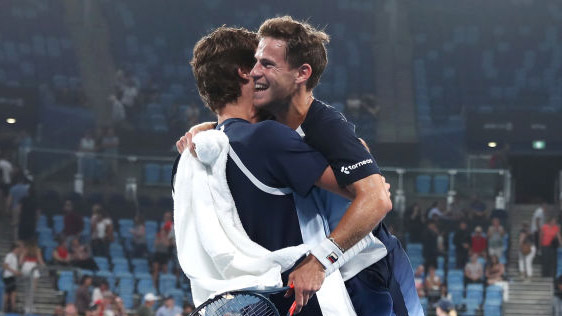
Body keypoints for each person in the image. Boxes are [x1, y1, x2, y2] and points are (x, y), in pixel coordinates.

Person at [178, 17, 421, 315]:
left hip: (368, 267)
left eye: (267, 64)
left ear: (301, 73)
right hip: (331, 272)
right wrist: (207, 128)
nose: (256, 72)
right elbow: (236, 124)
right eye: (255, 63)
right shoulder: (267, 124)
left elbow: (378, 198)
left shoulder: (326, 125)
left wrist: (319, 261)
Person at [3, 243, 21, 312]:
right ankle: (5, 307)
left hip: (12, 276)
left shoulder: (15, 257)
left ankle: (12, 308)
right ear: (14, 249)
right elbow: (5, 265)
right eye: (18, 249)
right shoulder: (9, 255)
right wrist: (14, 272)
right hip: (8, 276)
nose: (19, 250)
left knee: (12, 292)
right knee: (8, 293)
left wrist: (17, 273)